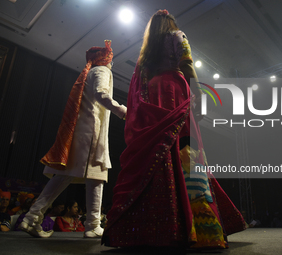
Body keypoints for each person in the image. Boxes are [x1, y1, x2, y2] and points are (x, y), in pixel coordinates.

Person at [102, 10, 246, 249]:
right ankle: (198, 224)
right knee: (185, 147)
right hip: (175, 90)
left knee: (159, 151)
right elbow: (187, 63)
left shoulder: (146, 53)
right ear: (171, 24)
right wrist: (199, 92)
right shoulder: (177, 36)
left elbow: (140, 83)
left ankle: (159, 223)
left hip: (155, 95)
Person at [20, 40, 127, 238]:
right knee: (97, 173)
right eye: (110, 59)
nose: (112, 63)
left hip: (79, 132)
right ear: (105, 59)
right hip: (91, 133)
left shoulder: (88, 74)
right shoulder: (102, 72)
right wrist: (124, 112)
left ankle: (31, 217)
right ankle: (93, 225)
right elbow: (102, 95)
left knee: (63, 175)